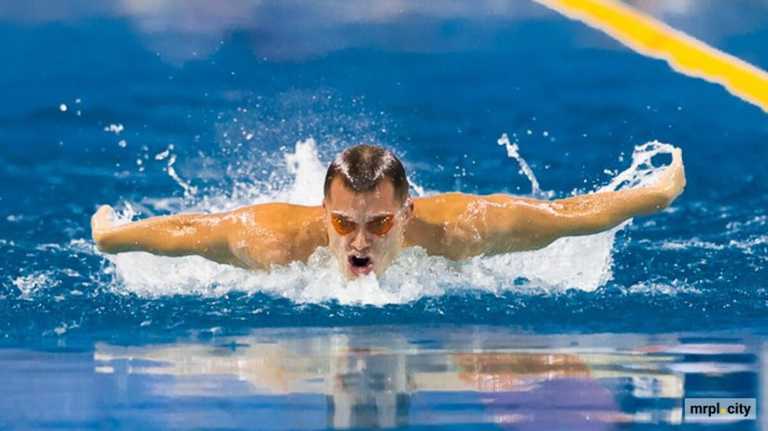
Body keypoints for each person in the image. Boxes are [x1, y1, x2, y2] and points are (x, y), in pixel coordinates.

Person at [92, 144, 685, 279]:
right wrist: (113, 237)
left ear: (405, 214)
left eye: (378, 223)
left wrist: (655, 195)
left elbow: (568, 215)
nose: (358, 243)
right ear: (323, 213)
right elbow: (190, 230)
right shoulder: (275, 240)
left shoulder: (459, 230)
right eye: (343, 223)